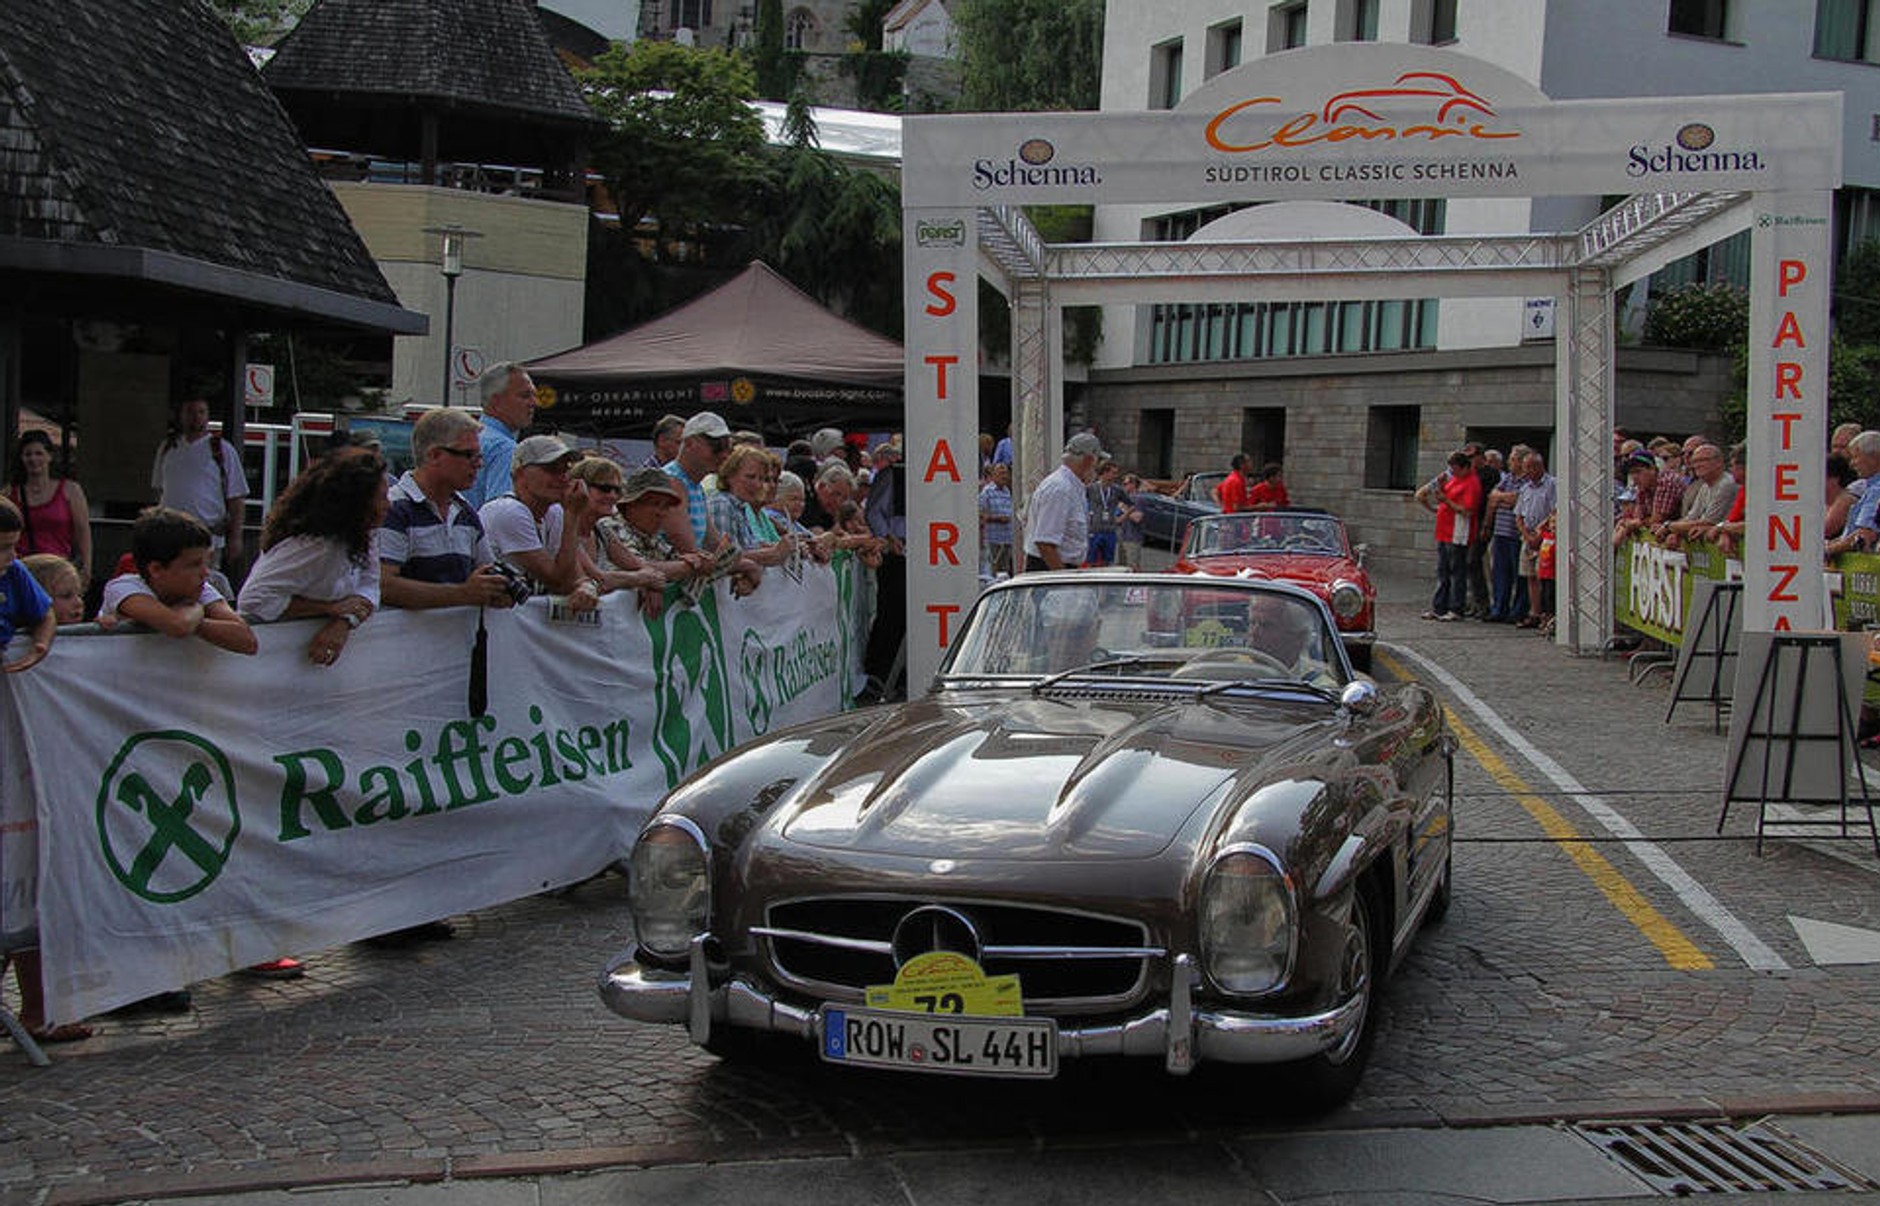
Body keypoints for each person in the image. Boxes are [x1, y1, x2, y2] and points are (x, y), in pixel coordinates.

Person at [9, 551, 91, 1042]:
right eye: (65, 596)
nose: (77, 605)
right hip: (21, 794)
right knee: (24, 905)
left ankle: (42, 1007)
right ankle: (36, 1010)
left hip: (52, 791)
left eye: (79, 593)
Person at [237, 446, 386, 668]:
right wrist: (326, 608)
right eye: (381, 498)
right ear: (357, 504)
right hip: (270, 659)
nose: (388, 505)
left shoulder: (364, 536)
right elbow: (254, 599)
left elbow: (370, 585)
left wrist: (343, 621)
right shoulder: (312, 547)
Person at [378, 408, 519, 612]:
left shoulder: (464, 512)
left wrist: (498, 589)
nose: (479, 464)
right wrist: (463, 594)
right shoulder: (395, 508)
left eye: (479, 456)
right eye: (469, 455)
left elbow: (485, 570)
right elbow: (384, 586)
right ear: (434, 455)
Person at [101, 506, 257, 655]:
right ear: (156, 569)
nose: (205, 572)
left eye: (206, 562)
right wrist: (197, 610)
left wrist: (196, 622)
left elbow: (247, 641)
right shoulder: (123, 588)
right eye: (194, 564)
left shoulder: (201, 587)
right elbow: (177, 625)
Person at [479, 435, 593, 604]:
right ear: (520, 473)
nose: (562, 477)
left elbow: (574, 578)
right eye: (552, 469)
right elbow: (558, 583)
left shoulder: (554, 512)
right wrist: (573, 515)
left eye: (565, 469)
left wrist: (586, 588)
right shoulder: (507, 511)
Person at [151, 396, 247, 573]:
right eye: (190, 412)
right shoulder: (167, 448)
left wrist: (236, 537)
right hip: (171, 535)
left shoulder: (222, 449)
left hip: (207, 535)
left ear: (207, 416)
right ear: (181, 416)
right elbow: (159, 490)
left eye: (201, 412)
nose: (196, 417)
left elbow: (236, 498)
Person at [7, 430, 91, 581]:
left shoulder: (70, 491)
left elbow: (83, 532)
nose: (33, 459)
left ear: (49, 456)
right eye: (28, 454)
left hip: (58, 570)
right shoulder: (9, 493)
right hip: (21, 571)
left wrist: (86, 568)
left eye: (39, 453)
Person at [862, 440, 907, 696]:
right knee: (891, 613)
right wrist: (888, 536)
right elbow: (874, 512)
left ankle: (903, 673)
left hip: (924, 551)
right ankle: (881, 670)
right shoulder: (892, 475)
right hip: (897, 552)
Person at [1414, 450, 1481, 622]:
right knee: (1442, 570)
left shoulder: (1471, 483)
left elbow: (1467, 510)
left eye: (1456, 469)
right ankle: (1439, 607)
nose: (1453, 472)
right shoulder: (1454, 479)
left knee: (1456, 571)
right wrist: (1439, 498)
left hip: (1458, 533)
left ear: (1465, 467)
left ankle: (1456, 607)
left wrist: (1445, 501)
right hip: (1444, 530)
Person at [1024, 433, 1105, 572]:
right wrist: (1063, 581)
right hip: (1050, 570)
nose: (1097, 469)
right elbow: (1045, 543)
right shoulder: (1060, 489)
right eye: (1097, 463)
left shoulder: (1072, 487)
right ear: (1089, 460)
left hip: (1058, 569)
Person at [465, 362, 538, 509]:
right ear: (496, 401)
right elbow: (502, 515)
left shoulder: (469, 438)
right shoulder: (504, 449)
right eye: (525, 396)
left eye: (534, 396)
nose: (533, 403)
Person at [1512, 451, 1557, 629]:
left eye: (1529, 468)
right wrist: (1526, 534)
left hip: (1545, 536)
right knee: (1529, 575)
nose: (1527, 472)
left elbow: (1555, 511)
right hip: (1528, 535)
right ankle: (1535, 612)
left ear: (1539, 466)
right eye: (1525, 468)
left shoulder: (1552, 484)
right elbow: (1518, 514)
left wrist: (1539, 533)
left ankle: (1547, 613)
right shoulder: (1525, 488)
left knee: (1542, 576)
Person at [1085, 459, 1126, 567]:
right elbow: (1079, 502)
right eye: (1113, 473)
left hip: (1110, 530)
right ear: (1105, 472)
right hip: (1094, 529)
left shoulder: (1117, 490)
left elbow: (1131, 504)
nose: (1115, 476)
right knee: (1091, 561)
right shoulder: (1091, 488)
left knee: (1107, 561)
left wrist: (1122, 517)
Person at [979, 462, 1014, 577]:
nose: (1004, 476)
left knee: (1004, 572)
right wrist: (998, 519)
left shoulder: (1007, 492)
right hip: (993, 539)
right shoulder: (987, 492)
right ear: (993, 475)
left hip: (1007, 539)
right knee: (993, 571)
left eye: (1005, 473)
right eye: (1000, 473)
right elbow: (980, 515)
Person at [1116, 473, 1147, 570]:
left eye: (1125, 484)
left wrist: (1124, 509)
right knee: (1122, 566)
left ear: (1133, 484)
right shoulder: (1125, 499)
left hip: (1133, 538)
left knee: (1132, 565)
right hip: (1123, 536)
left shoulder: (1138, 499)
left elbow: (1138, 518)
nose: (1123, 486)